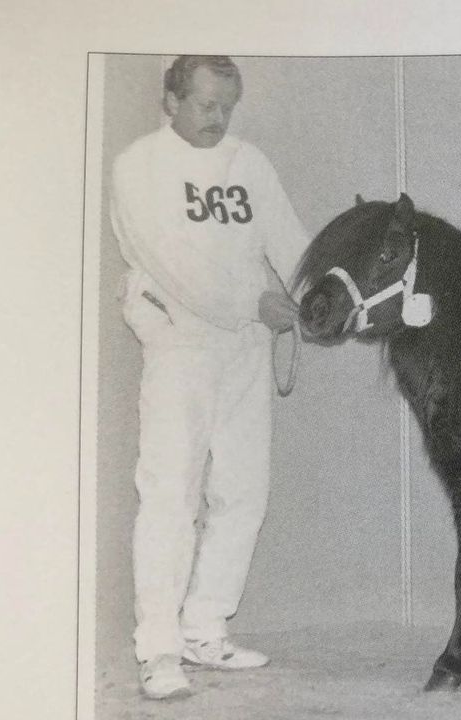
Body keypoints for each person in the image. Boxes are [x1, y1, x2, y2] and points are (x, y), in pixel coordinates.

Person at [109, 55, 308, 700]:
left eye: (227, 106)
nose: (218, 118)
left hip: (245, 347)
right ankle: (159, 649)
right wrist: (254, 302)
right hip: (179, 343)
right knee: (170, 493)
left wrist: (321, 296)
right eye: (205, 105)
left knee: (243, 491)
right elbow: (171, 264)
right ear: (171, 101)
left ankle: (204, 628)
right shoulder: (140, 165)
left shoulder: (248, 163)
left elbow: (291, 244)